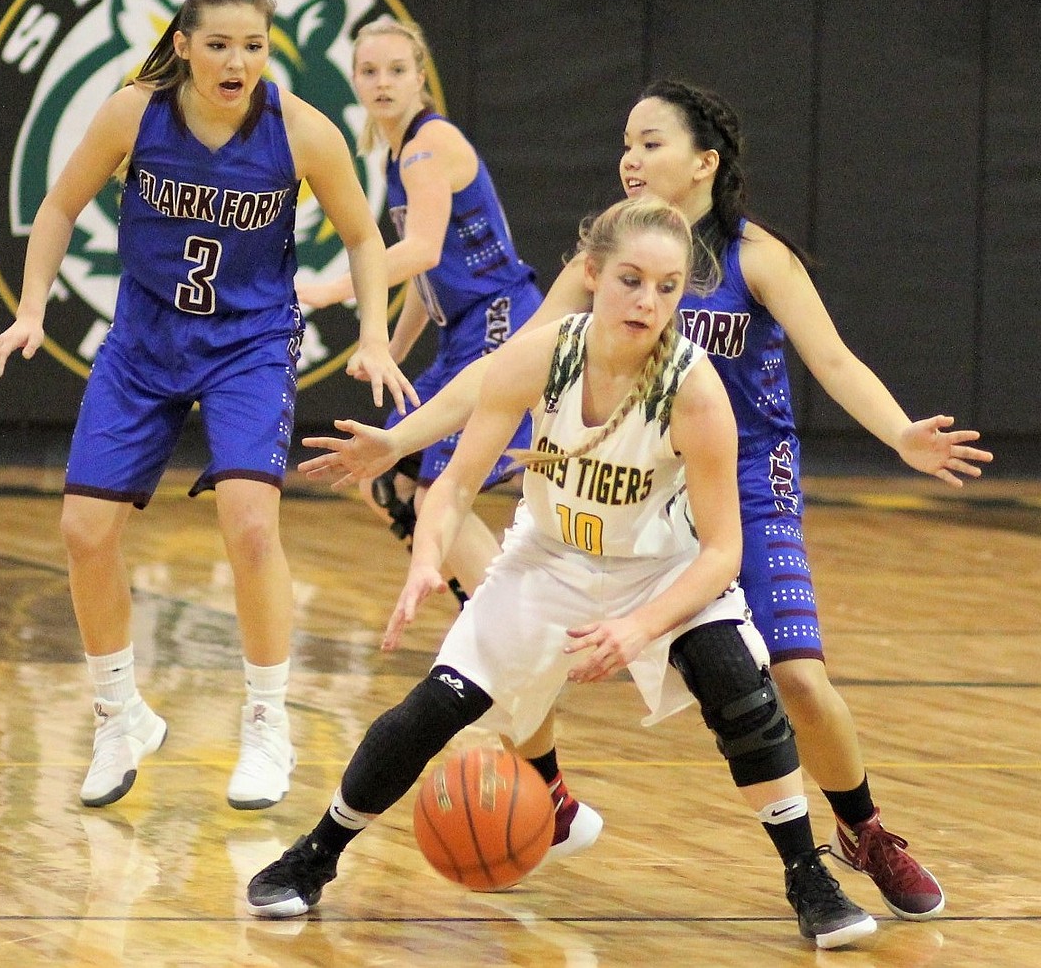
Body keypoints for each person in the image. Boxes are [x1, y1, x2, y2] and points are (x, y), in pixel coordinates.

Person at [296, 79, 994, 920]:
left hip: (739, 481)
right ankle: (546, 794)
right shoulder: (607, 261)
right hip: (630, 482)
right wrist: (401, 441)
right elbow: (505, 368)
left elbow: (835, 362)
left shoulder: (755, 256)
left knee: (796, 679)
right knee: (520, 644)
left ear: (705, 162)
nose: (630, 157)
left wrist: (900, 435)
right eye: (626, 141)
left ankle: (863, 830)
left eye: (652, 141)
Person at [247, 195, 879, 950]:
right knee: (433, 708)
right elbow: (453, 485)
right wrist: (424, 559)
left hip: (661, 568)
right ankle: (314, 854)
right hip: (548, 560)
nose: (649, 301)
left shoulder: (696, 389)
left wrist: (640, 626)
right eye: (632, 280)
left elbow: (721, 554)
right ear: (592, 273)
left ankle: (809, 874)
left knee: (739, 686)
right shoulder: (543, 354)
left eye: (669, 286)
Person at [0, 0, 415, 812]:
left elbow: (363, 236)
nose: (237, 61)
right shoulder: (133, 112)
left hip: (249, 344)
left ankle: (265, 719)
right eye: (219, 44)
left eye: (253, 46)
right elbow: (62, 204)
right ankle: (119, 713)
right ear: (182, 46)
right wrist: (32, 307)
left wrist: (369, 333)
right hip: (144, 341)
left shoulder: (299, 130)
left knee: (251, 522)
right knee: (82, 529)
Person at [297, 17, 601, 855]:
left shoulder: (430, 146)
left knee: (435, 485)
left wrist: (329, 290)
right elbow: (428, 283)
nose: (383, 81)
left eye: (397, 68)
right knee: (378, 470)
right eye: (369, 70)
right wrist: (387, 355)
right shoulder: (401, 157)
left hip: (502, 323)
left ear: (420, 76)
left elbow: (420, 247)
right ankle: (484, 594)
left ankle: (500, 613)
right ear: (355, 82)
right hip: (460, 326)